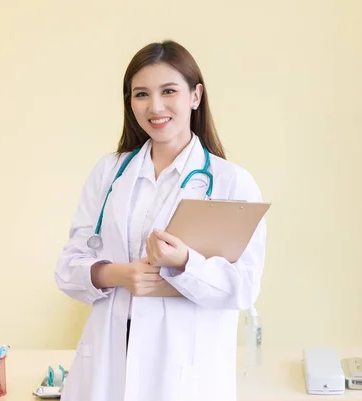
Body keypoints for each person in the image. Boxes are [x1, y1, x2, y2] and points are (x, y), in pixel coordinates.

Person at [54, 40, 267, 401]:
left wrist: (183, 263)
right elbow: (67, 269)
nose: (155, 107)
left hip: (184, 374)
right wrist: (120, 275)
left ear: (195, 96)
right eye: (141, 94)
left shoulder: (231, 181)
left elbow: (244, 288)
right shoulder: (109, 172)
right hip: (109, 366)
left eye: (169, 91)